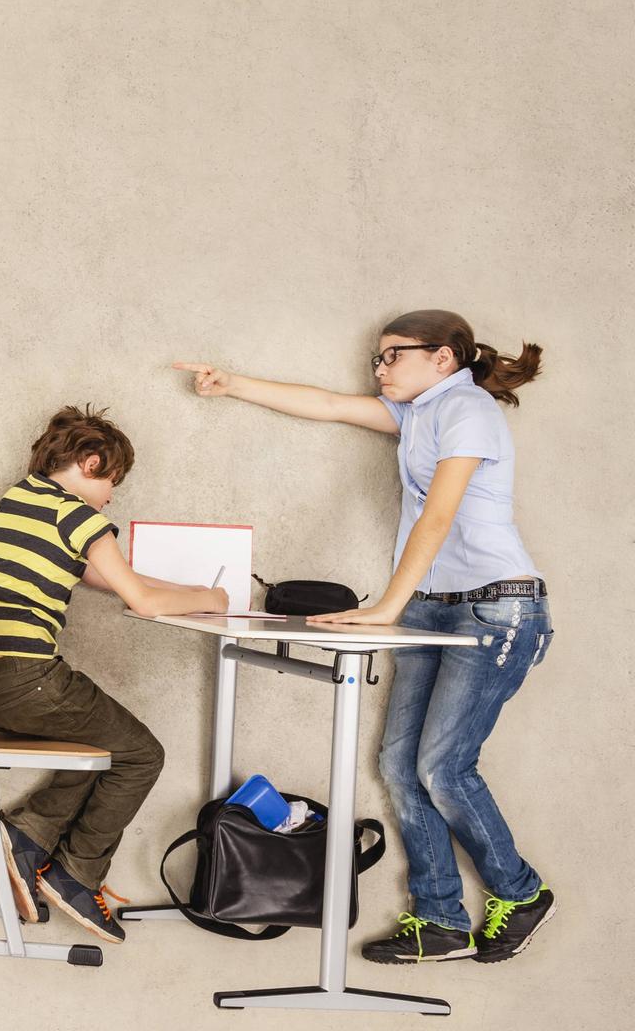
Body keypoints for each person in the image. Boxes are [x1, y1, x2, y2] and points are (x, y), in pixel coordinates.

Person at [175, 308, 553, 963]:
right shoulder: (416, 415)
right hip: (432, 606)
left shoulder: (468, 409)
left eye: (391, 356)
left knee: (441, 765)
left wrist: (386, 608)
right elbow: (324, 404)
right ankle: (439, 918)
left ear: (443, 358)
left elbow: (437, 517)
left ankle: (519, 892)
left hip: (498, 609)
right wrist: (230, 383)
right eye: (376, 358)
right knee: (399, 766)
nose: (378, 368)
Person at [0, 405, 227, 943]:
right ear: (91, 463)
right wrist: (213, 598)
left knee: (97, 741)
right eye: (113, 482)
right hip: (29, 678)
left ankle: (30, 835)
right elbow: (138, 597)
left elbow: (109, 578)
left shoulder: (20, 499)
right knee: (142, 754)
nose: (112, 496)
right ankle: (76, 874)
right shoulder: (78, 515)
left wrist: (189, 592)